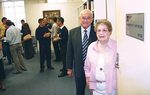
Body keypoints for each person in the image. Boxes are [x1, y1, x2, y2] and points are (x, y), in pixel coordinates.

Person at [66, 9, 97, 95]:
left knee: (95, 91)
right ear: (79, 19)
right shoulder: (72, 32)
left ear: (92, 19)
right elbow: (69, 51)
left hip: (94, 69)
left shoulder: (97, 32)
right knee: (79, 91)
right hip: (79, 68)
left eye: (88, 18)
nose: (85, 20)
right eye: (83, 18)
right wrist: (69, 68)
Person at [84, 19, 117, 95]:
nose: (101, 33)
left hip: (111, 89)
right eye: (98, 30)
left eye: (104, 30)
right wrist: (88, 79)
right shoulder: (91, 46)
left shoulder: (116, 46)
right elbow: (87, 66)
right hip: (95, 88)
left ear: (110, 32)